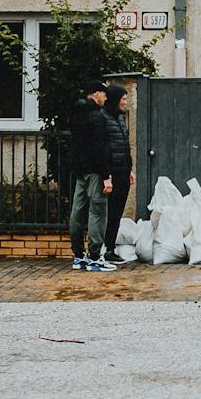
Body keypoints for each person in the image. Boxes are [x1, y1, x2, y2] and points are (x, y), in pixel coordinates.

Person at [66, 83, 116, 273]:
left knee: (77, 213)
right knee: (97, 212)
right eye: (104, 94)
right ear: (96, 94)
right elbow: (100, 149)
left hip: (81, 170)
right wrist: (106, 176)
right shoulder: (97, 117)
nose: (105, 98)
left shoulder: (77, 114)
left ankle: (78, 256)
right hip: (95, 171)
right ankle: (95, 257)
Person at [99, 83, 134, 263]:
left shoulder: (120, 118)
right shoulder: (103, 118)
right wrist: (107, 175)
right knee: (107, 211)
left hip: (123, 172)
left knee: (117, 212)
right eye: (123, 98)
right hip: (111, 173)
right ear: (115, 99)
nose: (125, 102)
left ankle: (110, 248)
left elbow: (125, 145)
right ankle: (101, 249)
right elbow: (103, 148)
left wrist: (130, 169)